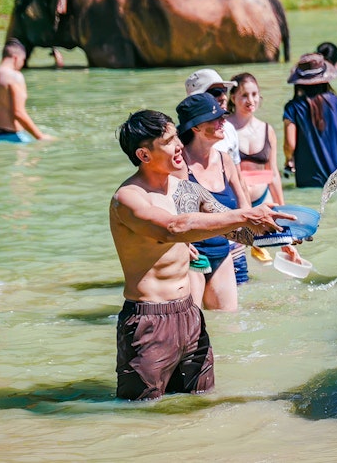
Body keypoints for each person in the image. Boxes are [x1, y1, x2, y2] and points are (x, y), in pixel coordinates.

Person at [110, 109, 289, 401]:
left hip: (190, 316)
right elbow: (173, 228)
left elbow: (235, 229)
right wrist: (245, 215)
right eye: (168, 142)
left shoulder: (185, 189)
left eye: (176, 137)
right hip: (149, 320)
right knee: (141, 415)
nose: (180, 145)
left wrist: (282, 233)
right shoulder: (128, 198)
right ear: (144, 155)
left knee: (203, 402)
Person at [177, 93, 252, 309]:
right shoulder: (179, 165)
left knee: (229, 327)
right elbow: (177, 218)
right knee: (192, 329)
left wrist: (277, 238)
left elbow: (245, 209)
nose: (224, 122)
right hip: (191, 258)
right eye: (216, 118)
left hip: (222, 253)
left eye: (223, 116)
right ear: (196, 127)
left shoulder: (224, 160)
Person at [283, 53, 337, 188]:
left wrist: (288, 160)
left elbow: (290, 145)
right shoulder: (336, 102)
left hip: (310, 180)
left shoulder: (293, 108)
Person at [0, 38, 50, 143]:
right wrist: (40, 136)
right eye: (23, 60)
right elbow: (18, 112)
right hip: (13, 137)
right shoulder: (15, 76)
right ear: (16, 58)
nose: (22, 64)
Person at [228, 72, 284, 206]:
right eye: (244, 96)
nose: (251, 101)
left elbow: (273, 173)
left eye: (254, 94)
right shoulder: (225, 129)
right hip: (235, 202)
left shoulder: (267, 130)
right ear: (233, 98)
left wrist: (283, 207)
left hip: (264, 199)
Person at [184, 69, 241, 165]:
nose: (224, 97)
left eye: (224, 91)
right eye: (216, 93)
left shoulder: (229, 129)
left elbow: (238, 177)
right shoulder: (180, 141)